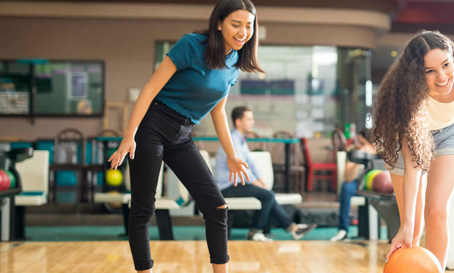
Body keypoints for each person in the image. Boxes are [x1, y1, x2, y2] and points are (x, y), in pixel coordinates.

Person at [107, 1, 261, 272]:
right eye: (236, 24)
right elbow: (150, 89)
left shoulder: (235, 61)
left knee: (217, 207)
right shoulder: (191, 45)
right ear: (219, 23)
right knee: (143, 209)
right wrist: (129, 136)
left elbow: (219, 112)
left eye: (248, 25)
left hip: (183, 135)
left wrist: (233, 155)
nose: (243, 32)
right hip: (152, 126)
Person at [372, 30, 454, 269]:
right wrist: (405, 225)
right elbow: (414, 167)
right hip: (409, 141)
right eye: (430, 71)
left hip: (450, 132)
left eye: (446, 65)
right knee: (413, 228)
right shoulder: (410, 102)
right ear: (415, 75)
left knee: (437, 213)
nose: (442, 77)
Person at [216, 106, 317, 242]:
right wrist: (256, 183)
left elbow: (250, 163)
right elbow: (241, 168)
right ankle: (256, 232)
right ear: (238, 122)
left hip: (238, 184)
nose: (253, 122)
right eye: (249, 119)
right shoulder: (232, 139)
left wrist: (260, 180)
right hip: (227, 187)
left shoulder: (240, 139)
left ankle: (292, 228)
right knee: (268, 195)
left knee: (268, 194)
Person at [329, 130, 377, 242]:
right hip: (357, 184)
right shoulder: (354, 151)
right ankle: (343, 230)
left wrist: (371, 153)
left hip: (373, 184)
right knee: (346, 186)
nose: (358, 145)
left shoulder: (380, 152)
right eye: (357, 141)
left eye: (362, 143)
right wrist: (358, 160)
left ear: (372, 144)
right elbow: (348, 177)